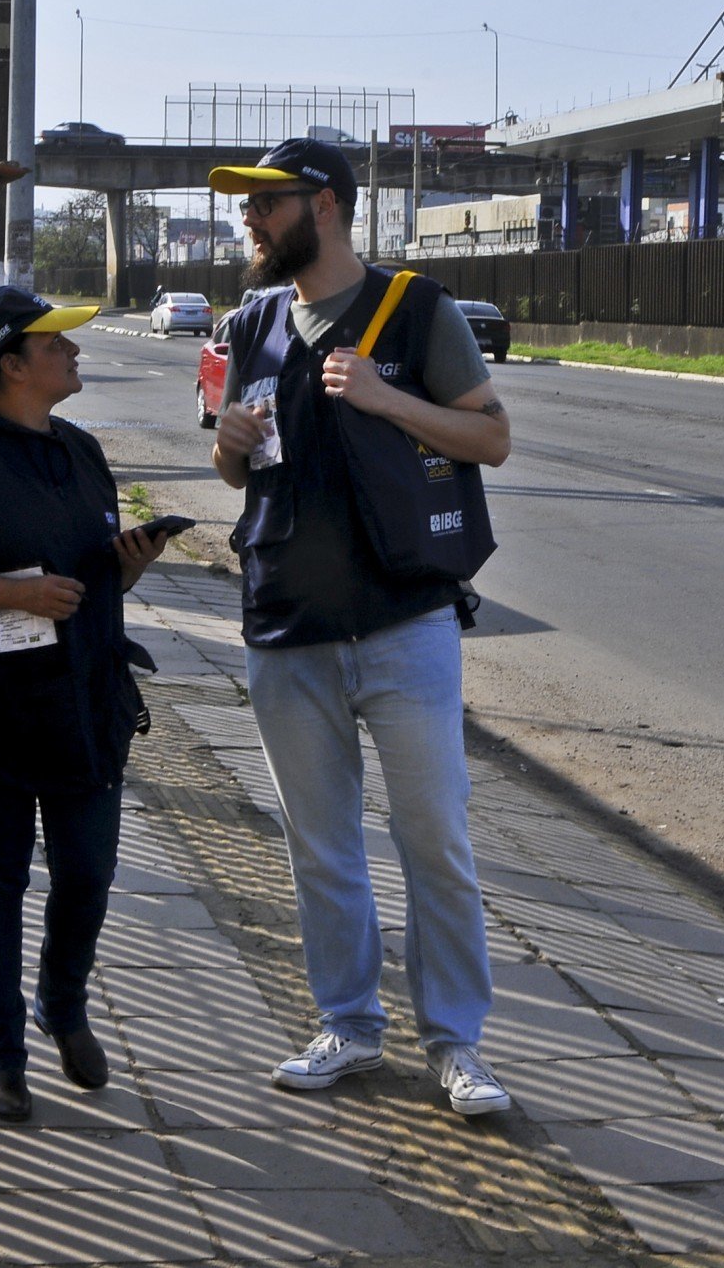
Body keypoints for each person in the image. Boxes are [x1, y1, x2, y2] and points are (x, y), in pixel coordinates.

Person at [205, 138, 515, 1115]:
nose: (250, 220)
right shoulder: (250, 320)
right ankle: (347, 1023)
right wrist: (227, 444)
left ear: (324, 206)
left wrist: (386, 397)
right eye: (248, 206)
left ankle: (457, 1044)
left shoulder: (417, 311)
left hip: (404, 621)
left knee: (434, 835)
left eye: (266, 203)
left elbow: (492, 436)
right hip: (286, 623)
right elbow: (236, 467)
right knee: (321, 843)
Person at [0, 286, 168, 1122]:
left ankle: (63, 1000)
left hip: (86, 698)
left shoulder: (82, 449)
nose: (75, 353)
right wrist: (12, 593)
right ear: (13, 364)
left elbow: (88, 578)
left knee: (89, 872)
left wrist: (129, 564)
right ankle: (0, 1055)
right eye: (58, 344)